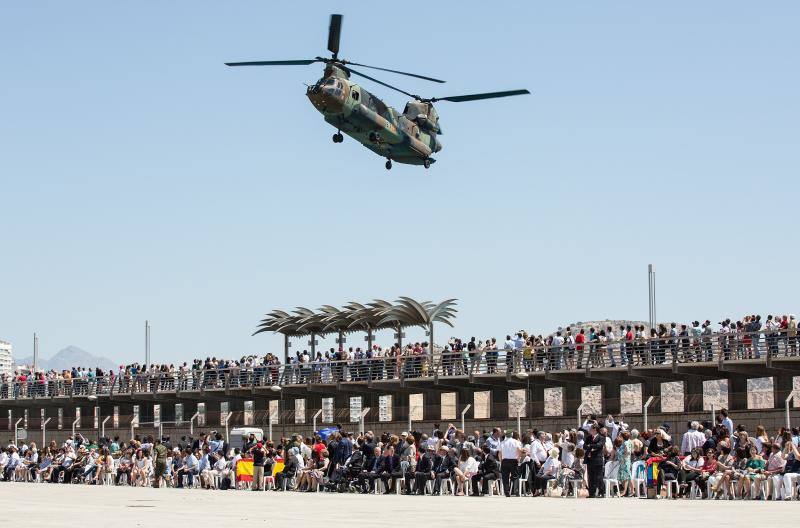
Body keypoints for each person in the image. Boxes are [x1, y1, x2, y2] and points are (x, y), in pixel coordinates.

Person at [498, 430, 523, 496]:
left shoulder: (502, 442)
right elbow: (519, 450)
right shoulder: (516, 442)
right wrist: (518, 458)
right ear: (511, 435)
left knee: (505, 477)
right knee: (515, 476)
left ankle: (507, 492)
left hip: (504, 461)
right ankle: (515, 490)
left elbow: (499, 453)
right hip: (513, 460)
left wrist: (501, 461)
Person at [584, 424, 605, 498]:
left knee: (599, 477)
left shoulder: (601, 437)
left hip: (597, 459)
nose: (589, 430)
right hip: (589, 459)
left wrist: (590, 446)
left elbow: (599, 445)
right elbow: (584, 446)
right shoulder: (588, 437)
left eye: (591, 429)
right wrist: (591, 447)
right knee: (591, 477)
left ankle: (601, 492)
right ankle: (591, 493)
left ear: (595, 430)